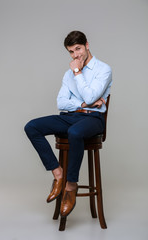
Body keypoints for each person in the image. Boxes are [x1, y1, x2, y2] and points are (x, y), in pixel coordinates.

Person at [24, 30, 112, 217]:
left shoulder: (103, 69)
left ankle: (71, 185)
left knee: (74, 132)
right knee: (31, 127)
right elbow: (61, 102)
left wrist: (78, 72)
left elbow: (90, 95)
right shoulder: (68, 74)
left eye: (78, 49)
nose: (75, 55)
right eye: (71, 52)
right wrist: (83, 103)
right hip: (70, 116)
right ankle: (58, 175)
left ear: (87, 45)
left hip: (93, 119)